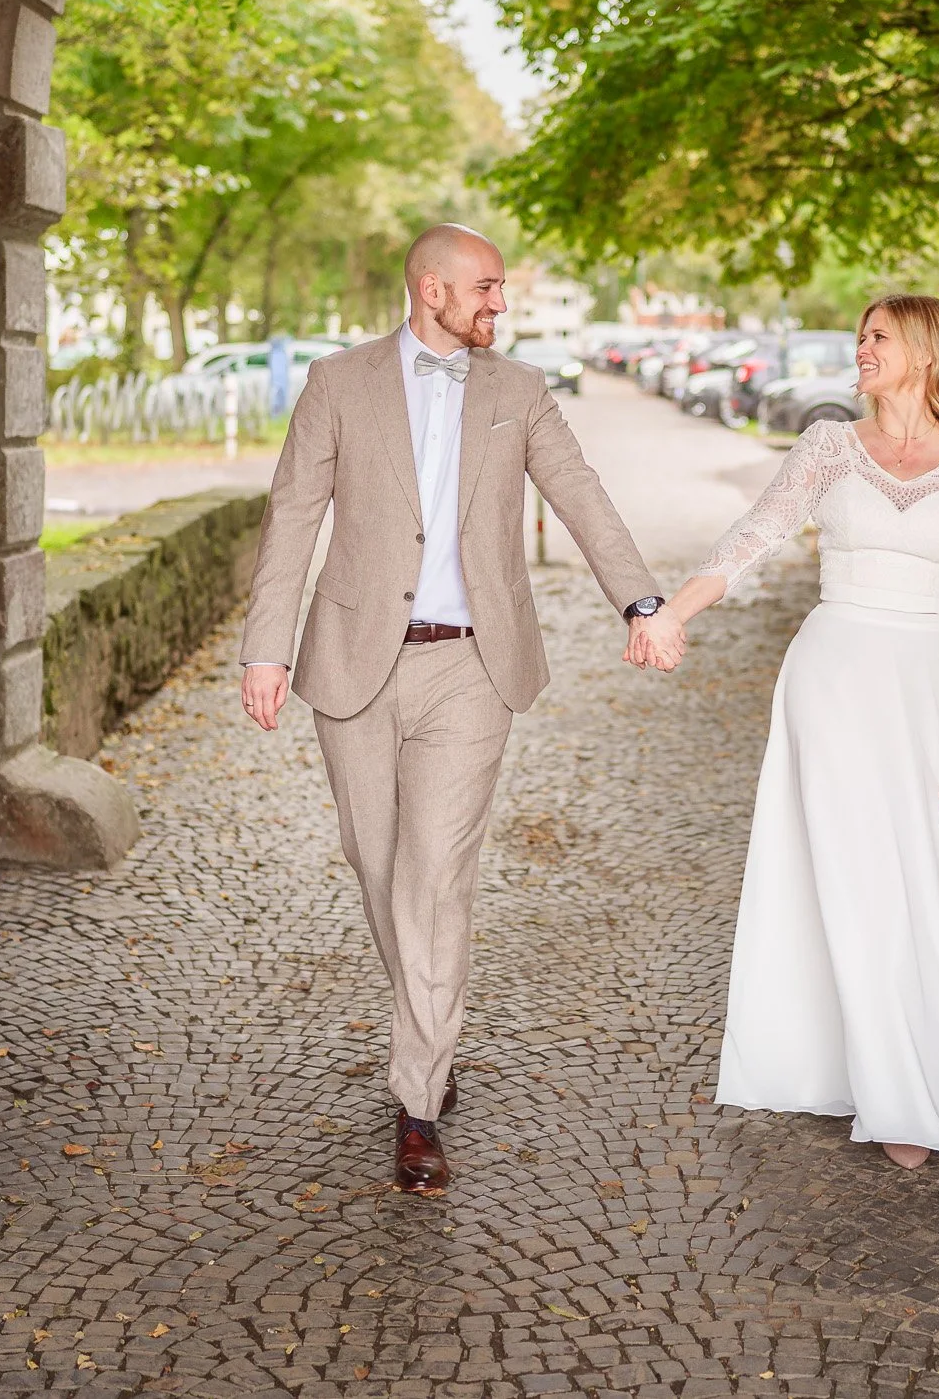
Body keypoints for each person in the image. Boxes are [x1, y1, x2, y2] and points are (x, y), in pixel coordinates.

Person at [236, 223, 680, 1194]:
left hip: (472, 667)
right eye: (484, 288)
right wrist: (266, 644)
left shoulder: (519, 392)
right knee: (378, 861)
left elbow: (580, 492)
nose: (498, 304)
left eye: (501, 290)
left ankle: (417, 1100)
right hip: (354, 660)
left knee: (436, 878)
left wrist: (641, 598)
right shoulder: (337, 385)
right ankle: (429, 1029)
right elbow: (292, 515)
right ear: (430, 288)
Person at [635, 294, 939, 1169]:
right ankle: (891, 1085)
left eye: (878, 336)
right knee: (857, 871)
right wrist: (672, 612)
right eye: (861, 335)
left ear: (926, 352)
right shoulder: (827, 448)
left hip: (932, 685)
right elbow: (755, 536)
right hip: (834, 676)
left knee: (920, 870)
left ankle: (916, 1058)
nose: (861, 348)